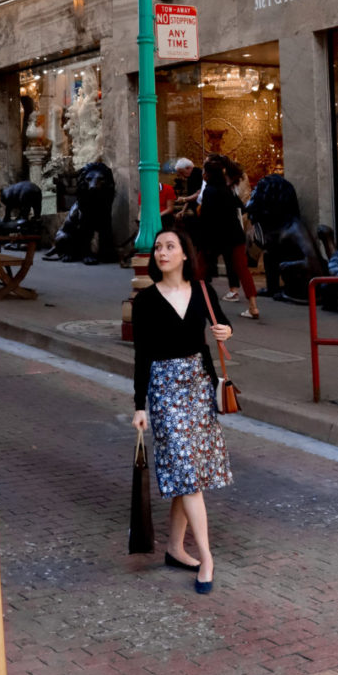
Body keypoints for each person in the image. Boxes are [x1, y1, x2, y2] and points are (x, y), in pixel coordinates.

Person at [132, 227, 233, 593]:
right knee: (187, 471)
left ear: (185, 254)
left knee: (186, 471)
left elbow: (222, 324)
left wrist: (226, 332)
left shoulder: (203, 291)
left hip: (198, 386)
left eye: (169, 246)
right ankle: (206, 557)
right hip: (163, 387)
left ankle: (175, 548)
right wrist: (139, 405)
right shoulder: (144, 302)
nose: (162, 252)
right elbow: (141, 356)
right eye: (158, 247)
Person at [198, 155, 260, 319]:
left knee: (199, 268)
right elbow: (240, 206)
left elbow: (207, 218)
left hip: (216, 237)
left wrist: (203, 239)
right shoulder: (227, 190)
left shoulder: (210, 191)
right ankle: (253, 306)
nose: (203, 174)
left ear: (208, 174)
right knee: (243, 269)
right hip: (234, 235)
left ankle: (193, 302)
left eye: (205, 171)